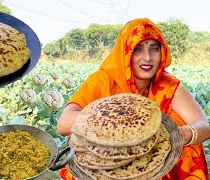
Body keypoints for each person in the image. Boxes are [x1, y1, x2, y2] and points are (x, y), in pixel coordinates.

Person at [56, 18, 210, 179]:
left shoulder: (168, 85)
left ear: (162, 52)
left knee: (188, 137)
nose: (148, 58)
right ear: (125, 51)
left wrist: (178, 135)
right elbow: (63, 124)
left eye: (154, 49)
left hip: (152, 162)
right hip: (106, 161)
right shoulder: (103, 80)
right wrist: (119, 122)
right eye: (138, 49)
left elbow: (203, 126)